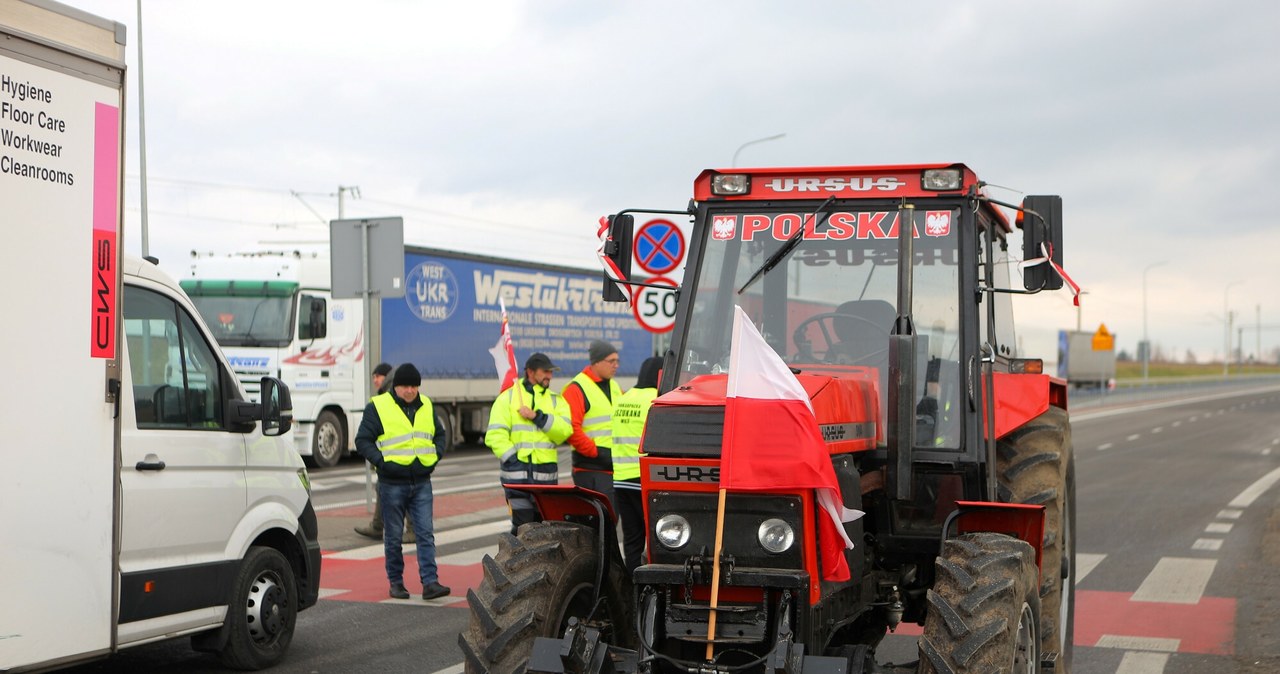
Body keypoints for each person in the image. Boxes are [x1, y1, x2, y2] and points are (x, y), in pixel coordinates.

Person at [355, 363, 450, 600]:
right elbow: (363, 440)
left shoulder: (426, 404)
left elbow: (440, 434)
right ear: (395, 386)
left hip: (421, 480)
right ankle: (396, 583)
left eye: (414, 386)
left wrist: (434, 457)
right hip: (391, 483)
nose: (410, 391)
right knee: (394, 536)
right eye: (405, 386)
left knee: (425, 533)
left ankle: (430, 583)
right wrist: (382, 462)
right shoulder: (378, 407)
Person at [486, 353, 572, 534]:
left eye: (551, 372)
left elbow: (564, 432)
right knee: (522, 527)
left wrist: (536, 417)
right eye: (545, 371)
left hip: (545, 480)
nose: (549, 375)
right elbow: (495, 434)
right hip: (517, 479)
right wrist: (513, 460)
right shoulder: (508, 398)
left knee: (544, 529)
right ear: (531, 372)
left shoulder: (557, 400)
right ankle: (515, 562)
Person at [355, 362, 417, 543]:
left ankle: (412, 529)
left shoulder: (392, 391)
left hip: (401, 455)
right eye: (373, 377)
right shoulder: (386, 391)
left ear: (386, 376)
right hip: (390, 454)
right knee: (382, 488)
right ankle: (377, 526)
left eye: (377, 376)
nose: (375, 380)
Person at [611, 355, 662, 574]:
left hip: (621, 479)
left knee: (632, 539)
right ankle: (650, 588)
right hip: (644, 479)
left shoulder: (623, 397)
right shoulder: (657, 398)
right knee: (656, 539)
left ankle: (632, 586)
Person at [562, 340, 622, 507]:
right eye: (611, 361)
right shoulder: (576, 388)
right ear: (596, 362)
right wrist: (596, 452)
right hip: (590, 468)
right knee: (597, 522)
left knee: (611, 520)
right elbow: (572, 429)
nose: (616, 365)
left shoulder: (614, 386)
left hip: (613, 466)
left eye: (617, 361)